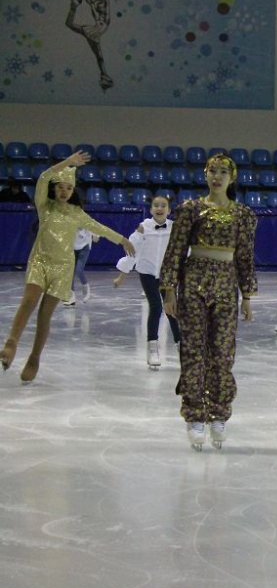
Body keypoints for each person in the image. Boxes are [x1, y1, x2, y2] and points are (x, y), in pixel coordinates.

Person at [0, 151, 135, 383]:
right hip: (40, 261)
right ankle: (11, 343)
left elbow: (99, 227)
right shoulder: (44, 206)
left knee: (45, 315)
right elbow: (44, 177)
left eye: (68, 188)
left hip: (63, 268)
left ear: (73, 191)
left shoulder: (76, 213)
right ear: (54, 189)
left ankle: (34, 357)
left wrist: (122, 239)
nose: (64, 191)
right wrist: (68, 163)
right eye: (60, 187)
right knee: (28, 300)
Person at [161, 154, 257, 451]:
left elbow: (245, 256)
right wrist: (169, 290)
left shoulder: (243, 215)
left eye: (223, 172)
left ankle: (219, 412)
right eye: (212, 171)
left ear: (232, 177)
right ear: (205, 175)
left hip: (226, 284)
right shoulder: (190, 210)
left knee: (223, 351)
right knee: (193, 349)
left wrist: (247, 295)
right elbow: (175, 250)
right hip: (194, 282)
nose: (217, 176)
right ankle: (194, 415)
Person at [113, 195, 182, 369]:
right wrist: (122, 275)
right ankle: (152, 348)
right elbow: (132, 251)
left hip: (166, 274)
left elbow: (180, 252)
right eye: (156, 205)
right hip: (147, 272)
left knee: (172, 309)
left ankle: (182, 346)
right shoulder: (143, 228)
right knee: (156, 307)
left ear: (169, 210)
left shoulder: (175, 228)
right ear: (151, 209)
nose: (159, 208)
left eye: (163, 205)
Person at [65, 227, 98, 306]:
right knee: (70, 272)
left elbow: (96, 238)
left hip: (84, 247)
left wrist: (95, 235)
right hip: (73, 247)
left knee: (79, 270)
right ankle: (71, 298)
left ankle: (85, 287)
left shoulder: (87, 222)